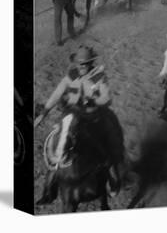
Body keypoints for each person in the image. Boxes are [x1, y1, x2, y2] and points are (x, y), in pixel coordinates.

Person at [35, 45, 125, 193]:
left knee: (110, 144)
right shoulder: (71, 75)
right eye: (79, 63)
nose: (81, 66)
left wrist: (93, 102)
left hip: (92, 116)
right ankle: (52, 176)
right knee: (56, 140)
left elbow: (106, 98)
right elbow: (57, 93)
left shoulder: (99, 77)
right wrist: (44, 112)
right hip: (72, 114)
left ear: (90, 63)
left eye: (84, 63)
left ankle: (113, 175)